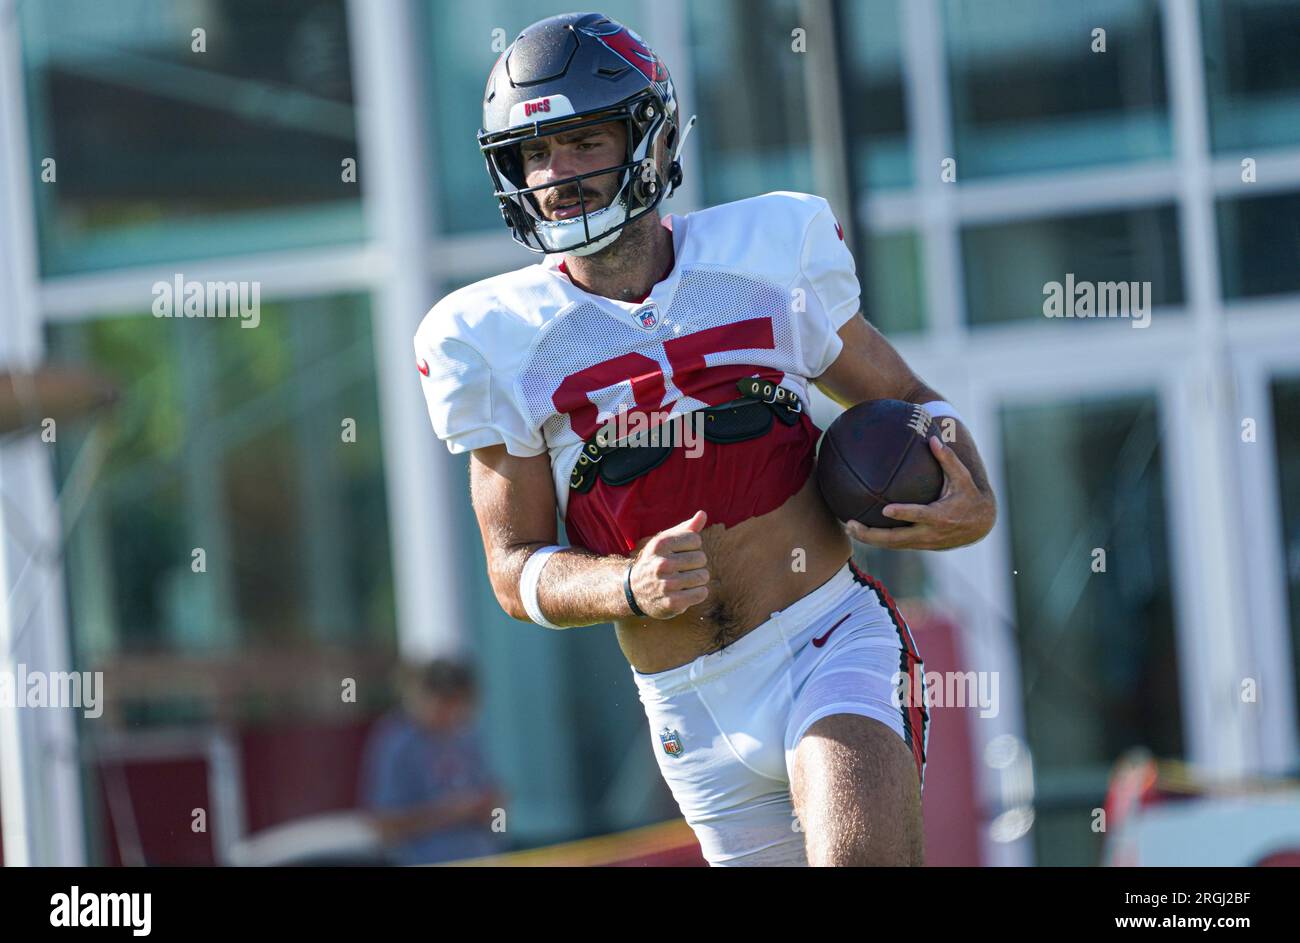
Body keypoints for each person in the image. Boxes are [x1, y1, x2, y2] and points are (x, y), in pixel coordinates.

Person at [413, 12, 996, 866]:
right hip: (687, 705)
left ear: (647, 139)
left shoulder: (766, 256)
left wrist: (967, 492)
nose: (556, 176)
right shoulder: (490, 338)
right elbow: (513, 568)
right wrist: (625, 585)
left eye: (580, 141)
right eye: (534, 155)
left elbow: (908, 398)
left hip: (825, 642)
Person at [359, 659, 502, 864]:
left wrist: (491, 807)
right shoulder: (396, 743)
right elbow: (383, 826)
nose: (453, 714)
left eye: (459, 704)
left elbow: (493, 804)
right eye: (445, 703)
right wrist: (449, 812)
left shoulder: (467, 736)